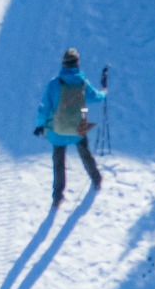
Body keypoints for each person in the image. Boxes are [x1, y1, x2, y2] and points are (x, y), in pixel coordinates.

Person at [34, 47, 105, 205]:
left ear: (63, 64)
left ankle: (57, 196)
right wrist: (105, 92)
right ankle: (96, 179)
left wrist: (40, 125)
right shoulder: (82, 83)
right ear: (77, 64)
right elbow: (96, 97)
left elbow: (44, 107)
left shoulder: (54, 84)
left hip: (57, 130)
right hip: (78, 129)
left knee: (58, 163)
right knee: (85, 154)